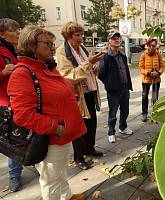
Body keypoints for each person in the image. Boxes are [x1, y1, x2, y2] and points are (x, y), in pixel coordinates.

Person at [8, 25, 86, 200]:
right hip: (50, 139)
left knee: (59, 173)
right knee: (50, 181)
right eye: (48, 44)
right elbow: (22, 115)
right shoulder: (22, 73)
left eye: (53, 43)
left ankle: (66, 196)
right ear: (31, 45)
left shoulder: (46, 67)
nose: (53, 47)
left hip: (61, 136)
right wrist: (55, 127)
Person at [56, 21, 103, 170]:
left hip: (89, 92)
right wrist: (88, 64)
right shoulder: (62, 51)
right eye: (77, 35)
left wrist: (94, 68)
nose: (81, 38)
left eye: (82, 34)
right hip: (77, 97)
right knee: (78, 128)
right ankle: (79, 157)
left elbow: (88, 69)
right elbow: (67, 76)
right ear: (68, 36)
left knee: (92, 124)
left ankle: (89, 149)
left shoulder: (82, 48)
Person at [0, 18, 23, 192]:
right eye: (14, 30)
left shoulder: (19, 49)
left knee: (30, 135)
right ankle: (14, 174)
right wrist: (1, 73)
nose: (18, 32)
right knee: (13, 139)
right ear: (2, 34)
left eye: (18, 29)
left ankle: (34, 162)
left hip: (24, 100)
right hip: (7, 103)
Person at [98, 32, 133, 143]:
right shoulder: (106, 57)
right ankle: (111, 132)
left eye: (118, 38)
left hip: (125, 87)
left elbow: (125, 71)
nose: (117, 40)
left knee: (125, 110)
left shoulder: (123, 55)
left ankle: (122, 127)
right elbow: (101, 74)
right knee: (113, 113)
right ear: (109, 41)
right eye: (114, 38)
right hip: (113, 90)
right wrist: (109, 84)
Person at [139, 38, 164, 122]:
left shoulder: (158, 54)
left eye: (154, 45)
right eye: (150, 45)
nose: (152, 47)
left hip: (156, 79)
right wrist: (148, 73)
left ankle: (154, 113)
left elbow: (162, 66)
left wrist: (158, 73)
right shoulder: (143, 55)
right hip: (146, 79)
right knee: (144, 96)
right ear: (147, 46)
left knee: (155, 96)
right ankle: (144, 113)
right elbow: (141, 68)